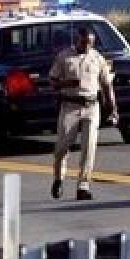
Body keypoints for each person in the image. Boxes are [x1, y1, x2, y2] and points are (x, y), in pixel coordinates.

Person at [48, 26, 118, 201]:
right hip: (70, 106)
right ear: (78, 40)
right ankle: (58, 178)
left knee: (89, 147)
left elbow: (107, 85)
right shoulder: (64, 57)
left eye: (91, 43)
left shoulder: (97, 59)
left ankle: (83, 186)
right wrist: (68, 83)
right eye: (84, 42)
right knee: (62, 147)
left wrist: (113, 108)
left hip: (91, 107)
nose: (87, 46)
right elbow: (53, 82)